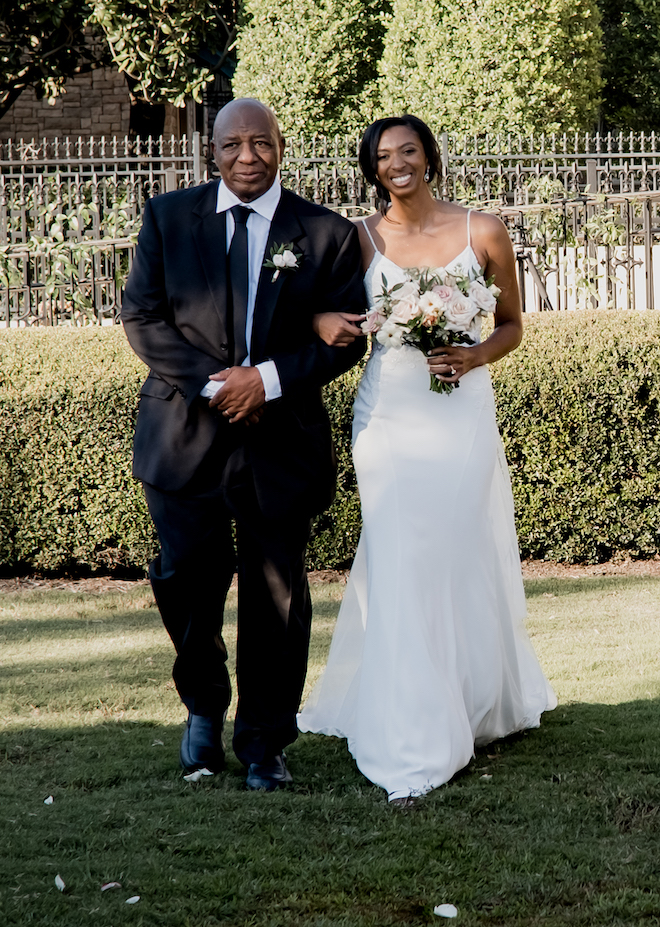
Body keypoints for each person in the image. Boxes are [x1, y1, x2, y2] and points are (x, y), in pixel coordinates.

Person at [297, 115, 556, 805]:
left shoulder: (485, 230)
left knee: (458, 551)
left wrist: (474, 354)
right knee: (402, 557)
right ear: (372, 168)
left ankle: (473, 697)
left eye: (408, 150)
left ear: (430, 156)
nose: (397, 164)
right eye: (383, 156)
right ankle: (413, 727)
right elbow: (322, 312)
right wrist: (328, 321)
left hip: (460, 412)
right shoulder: (360, 238)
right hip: (388, 417)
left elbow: (512, 327)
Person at [121, 98, 366, 791]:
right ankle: (203, 699)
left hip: (279, 444)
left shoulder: (324, 232)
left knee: (278, 597)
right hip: (184, 439)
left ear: (282, 147)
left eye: (262, 143)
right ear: (213, 151)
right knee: (185, 580)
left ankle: (264, 741)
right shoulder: (169, 219)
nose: (248, 156)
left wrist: (269, 380)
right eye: (234, 145)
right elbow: (141, 316)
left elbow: (351, 335)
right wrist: (218, 384)